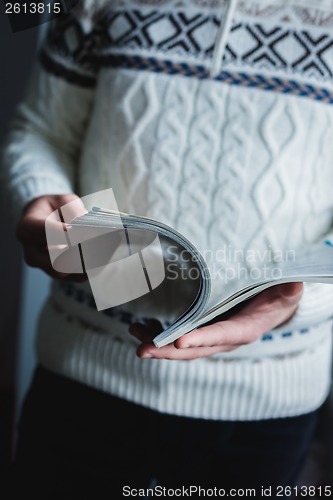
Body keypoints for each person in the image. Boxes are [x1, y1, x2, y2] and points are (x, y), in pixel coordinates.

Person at [2, 0, 333, 497]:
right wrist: (37, 197)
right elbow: (42, 131)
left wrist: (297, 300)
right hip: (86, 369)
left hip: (268, 399)